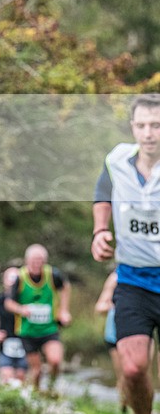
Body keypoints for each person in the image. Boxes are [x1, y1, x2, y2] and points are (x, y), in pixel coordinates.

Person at [91, 93, 160, 414]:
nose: (149, 133)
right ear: (132, 127)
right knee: (132, 369)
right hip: (133, 279)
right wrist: (100, 231)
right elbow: (103, 195)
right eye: (143, 125)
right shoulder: (116, 160)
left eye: (157, 126)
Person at [4, 244, 71, 392]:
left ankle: (53, 387)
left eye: (40, 260)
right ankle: (37, 393)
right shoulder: (19, 278)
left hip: (49, 328)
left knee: (55, 360)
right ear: (27, 260)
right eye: (33, 260)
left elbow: (66, 287)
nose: (37, 263)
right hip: (28, 330)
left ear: (45, 261)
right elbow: (8, 303)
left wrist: (64, 311)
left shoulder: (53, 274)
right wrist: (21, 309)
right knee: (36, 369)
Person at [0, 267, 27, 385]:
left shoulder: (25, 298)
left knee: (21, 377)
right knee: (6, 376)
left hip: (25, 342)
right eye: (9, 279)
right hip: (6, 342)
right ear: (4, 281)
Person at [94, 270, 127, 412]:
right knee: (125, 375)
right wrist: (114, 305)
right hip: (115, 334)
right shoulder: (115, 278)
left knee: (141, 373)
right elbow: (100, 307)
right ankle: (124, 406)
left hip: (143, 331)